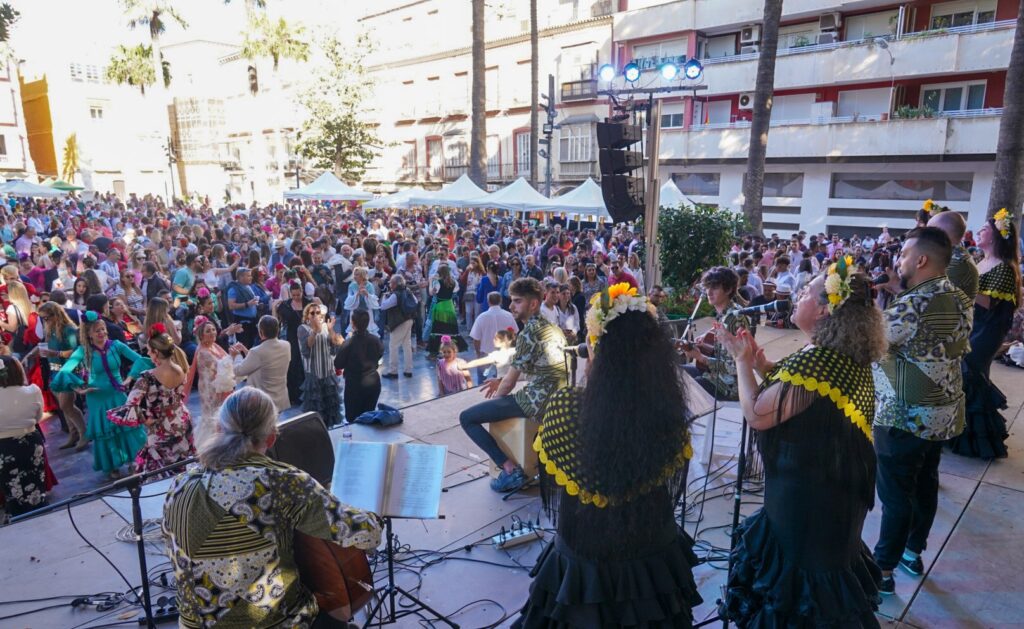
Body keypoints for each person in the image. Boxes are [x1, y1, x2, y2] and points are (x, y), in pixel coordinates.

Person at [515, 288, 702, 627]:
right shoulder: (670, 415)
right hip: (651, 557)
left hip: (584, 557)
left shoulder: (566, 408)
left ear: (597, 350)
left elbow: (554, 483)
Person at [717, 264, 884, 626]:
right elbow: (804, 397)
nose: (798, 295)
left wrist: (742, 363)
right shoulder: (837, 355)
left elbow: (758, 414)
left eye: (807, 291)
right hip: (829, 494)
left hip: (809, 499)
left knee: (798, 593)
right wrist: (764, 366)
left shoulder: (818, 362)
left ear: (825, 309)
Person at [162, 387, 382, 629]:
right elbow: (365, 532)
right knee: (334, 610)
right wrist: (375, 520)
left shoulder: (178, 484)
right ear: (271, 438)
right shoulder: (279, 482)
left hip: (191, 624)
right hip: (268, 624)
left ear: (217, 430)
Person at [872, 227, 972, 594]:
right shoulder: (958, 296)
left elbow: (872, 343)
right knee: (925, 484)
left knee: (896, 495)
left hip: (904, 415)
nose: (898, 262)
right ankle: (913, 553)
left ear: (921, 259)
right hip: (942, 413)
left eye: (903, 256)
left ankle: (881, 572)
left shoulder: (912, 305)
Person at [459, 278, 568, 493]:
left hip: (537, 402)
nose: (511, 306)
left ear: (533, 304)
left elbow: (509, 383)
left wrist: (497, 405)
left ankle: (509, 470)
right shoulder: (552, 328)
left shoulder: (529, 332)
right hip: (557, 398)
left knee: (467, 418)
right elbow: (539, 369)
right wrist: (503, 381)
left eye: (517, 301)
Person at [949, 211, 1021, 459]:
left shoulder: (1004, 267)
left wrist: (957, 285)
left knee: (970, 376)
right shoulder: (981, 260)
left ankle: (975, 441)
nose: (978, 231)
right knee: (967, 379)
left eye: (984, 228)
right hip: (971, 327)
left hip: (986, 331)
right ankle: (963, 435)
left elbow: (988, 303)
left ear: (998, 235)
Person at [52, 312, 149, 478]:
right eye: (97, 330)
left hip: (117, 394)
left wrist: (130, 378)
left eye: (103, 329)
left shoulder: (117, 345)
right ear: (89, 333)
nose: (102, 333)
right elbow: (64, 371)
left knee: (127, 428)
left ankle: (133, 461)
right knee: (105, 431)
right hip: (96, 398)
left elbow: (141, 360)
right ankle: (112, 465)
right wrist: (79, 388)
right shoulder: (83, 351)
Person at [107, 324, 195, 473]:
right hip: (182, 420)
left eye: (149, 350)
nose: (147, 353)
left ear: (156, 352)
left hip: (160, 427)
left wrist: (145, 419)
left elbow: (130, 405)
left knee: (161, 471)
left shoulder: (147, 377)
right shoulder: (181, 368)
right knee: (183, 465)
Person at [680, 267, 755, 400]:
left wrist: (700, 357)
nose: (709, 292)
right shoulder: (726, 314)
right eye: (708, 287)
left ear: (728, 289)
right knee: (677, 372)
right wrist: (708, 337)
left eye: (714, 288)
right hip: (713, 375)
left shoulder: (736, 318)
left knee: (684, 388)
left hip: (728, 386)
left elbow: (734, 366)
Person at [0, 356, 48, 518]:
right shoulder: (32, 391)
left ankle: (19, 519)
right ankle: (42, 516)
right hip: (30, 442)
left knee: (12, 489)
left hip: (4, 448)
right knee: (36, 483)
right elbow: (38, 417)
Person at [37, 302, 87, 450]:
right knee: (64, 406)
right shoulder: (51, 329)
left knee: (67, 404)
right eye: (42, 319)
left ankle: (84, 433)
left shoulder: (69, 329)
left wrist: (56, 354)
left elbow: (75, 351)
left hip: (69, 371)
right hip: (55, 371)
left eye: (46, 318)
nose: (44, 321)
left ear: (56, 315)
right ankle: (74, 434)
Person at [184, 317, 235, 446]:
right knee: (213, 416)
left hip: (217, 385)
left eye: (213, 329)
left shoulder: (214, 346)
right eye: (208, 331)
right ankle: (213, 444)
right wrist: (232, 357)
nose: (212, 332)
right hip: (210, 389)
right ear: (201, 335)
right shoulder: (203, 352)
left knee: (221, 414)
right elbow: (221, 367)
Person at [230, 315, 292, 414]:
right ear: (278, 330)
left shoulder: (257, 352)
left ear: (261, 332)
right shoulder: (286, 345)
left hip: (262, 401)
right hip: (280, 398)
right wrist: (246, 351)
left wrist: (236, 356)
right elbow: (263, 361)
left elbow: (239, 371)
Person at [298, 303, 344, 427]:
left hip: (328, 373)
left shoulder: (325, 326)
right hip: (314, 375)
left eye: (318, 312)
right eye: (312, 313)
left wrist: (330, 330)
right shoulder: (303, 329)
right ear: (307, 316)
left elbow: (334, 345)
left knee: (330, 410)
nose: (315, 315)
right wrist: (314, 331)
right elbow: (306, 349)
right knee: (315, 411)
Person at [335, 309, 384, 424]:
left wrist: (341, 346)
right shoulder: (375, 339)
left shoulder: (349, 343)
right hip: (373, 382)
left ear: (352, 323)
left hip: (355, 385)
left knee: (354, 419)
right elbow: (380, 353)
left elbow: (338, 363)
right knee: (368, 416)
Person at [273, 281, 310, 406]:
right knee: (294, 364)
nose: (296, 297)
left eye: (298, 295)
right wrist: (274, 308)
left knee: (307, 365)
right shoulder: (286, 305)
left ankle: (308, 393)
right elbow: (276, 321)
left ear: (302, 292)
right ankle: (295, 395)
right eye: (293, 295)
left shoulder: (309, 303)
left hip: (306, 337)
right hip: (292, 338)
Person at [469, 291, 517, 384]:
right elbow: (514, 333)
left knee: (482, 380)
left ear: (488, 302)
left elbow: (476, 339)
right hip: (504, 353)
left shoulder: (481, 317)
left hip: (485, 352)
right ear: (501, 301)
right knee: (502, 379)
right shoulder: (508, 315)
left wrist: (478, 353)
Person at [380, 274, 417, 379]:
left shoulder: (395, 295)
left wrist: (384, 296)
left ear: (395, 284)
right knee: (407, 345)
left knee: (393, 346)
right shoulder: (408, 291)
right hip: (409, 320)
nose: (390, 284)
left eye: (391, 282)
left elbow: (383, 306)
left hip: (399, 322)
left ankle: (393, 371)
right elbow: (416, 302)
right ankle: (408, 370)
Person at [426, 264, 465, 354]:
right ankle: (452, 348)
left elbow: (431, 293)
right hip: (449, 305)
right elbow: (456, 291)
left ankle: (435, 350)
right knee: (450, 327)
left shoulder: (438, 282)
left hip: (440, 306)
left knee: (438, 327)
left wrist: (431, 281)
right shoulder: (454, 282)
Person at [226, 267, 260, 348]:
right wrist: (247, 304)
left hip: (252, 321)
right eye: (248, 276)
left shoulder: (248, 286)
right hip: (242, 322)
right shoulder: (233, 289)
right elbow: (231, 306)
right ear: (241, 277)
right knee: (243, 346)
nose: (251, 277)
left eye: (250, 275)